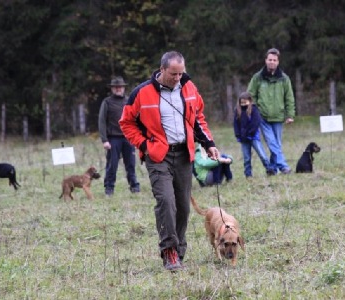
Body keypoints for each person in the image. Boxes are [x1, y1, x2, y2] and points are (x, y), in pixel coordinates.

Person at [119, 51, 219, 271]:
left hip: (184, 154)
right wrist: (144, 146)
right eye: (173, 74)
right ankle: (169, 252)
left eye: (181, 73)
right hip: (157, 156)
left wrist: (209, 143)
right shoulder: (141, 93)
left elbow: (197, 118)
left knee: (183, 206)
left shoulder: (189, 87)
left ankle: (180, 251)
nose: (177, 78)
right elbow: (126, 123)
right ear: (162, 69)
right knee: (166, 201)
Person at [247, 48, 295, 175]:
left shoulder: (284, 79)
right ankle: (283, 166)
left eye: (274, 60)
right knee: (271, 142)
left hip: (278, 116)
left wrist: (290, 114)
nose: (272, 62)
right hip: (262, 116)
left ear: (278, 62)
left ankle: (272, 169)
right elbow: (251, 95)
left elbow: (289, 97)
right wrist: (254, 110)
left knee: (277, 144)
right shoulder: (257, 78)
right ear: (265, 61)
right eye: (270, 60)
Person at [98, 76, 140, 196]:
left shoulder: (129, 101)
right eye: (115, 87)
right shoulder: (107, 102)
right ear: (112, 89)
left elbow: (136, 118)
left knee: (131, 164)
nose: (118, 89)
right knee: (112, 164)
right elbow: (101, 121)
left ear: (123, 88)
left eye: (120, 87)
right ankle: (109, 189)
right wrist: (104, 140)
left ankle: (134, 187)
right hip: (113, 139)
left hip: (128, 138)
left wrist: (137, 136)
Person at [233, 91, 274, 177]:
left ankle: (269, 169)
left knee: (262, 154)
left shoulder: (254, 110)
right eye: (242, 103)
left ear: (250, 101)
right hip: (243, 138)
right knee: (246, 157)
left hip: (253, 137)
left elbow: (256, 123)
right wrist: (238, 135)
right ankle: (248, 174)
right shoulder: (237, 111)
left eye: (245, 102)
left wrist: (250, 133)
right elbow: (236, 124)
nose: (243, 104)